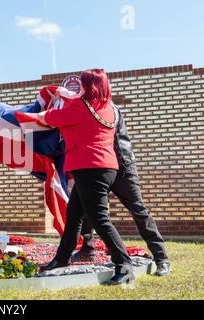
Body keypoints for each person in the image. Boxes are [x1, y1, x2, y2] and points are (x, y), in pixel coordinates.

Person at [40, 69, 134, 285]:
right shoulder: (109, 108)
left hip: (89, 169)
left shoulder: (82, 107)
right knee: (74, 216)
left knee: (100, 219)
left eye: (82, 83)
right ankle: (62, 259)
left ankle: (124, 265)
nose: (79, 87)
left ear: (89, 86)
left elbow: (52, 118)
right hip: (105, 168)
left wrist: (52, 102)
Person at [73, 105, 171, 276]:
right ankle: (87, 249)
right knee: (88, 209)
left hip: (123, 167)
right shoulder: (85, 108)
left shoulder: (109, 109)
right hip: (98, 167)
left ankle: (162, 258)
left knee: (139, 211)